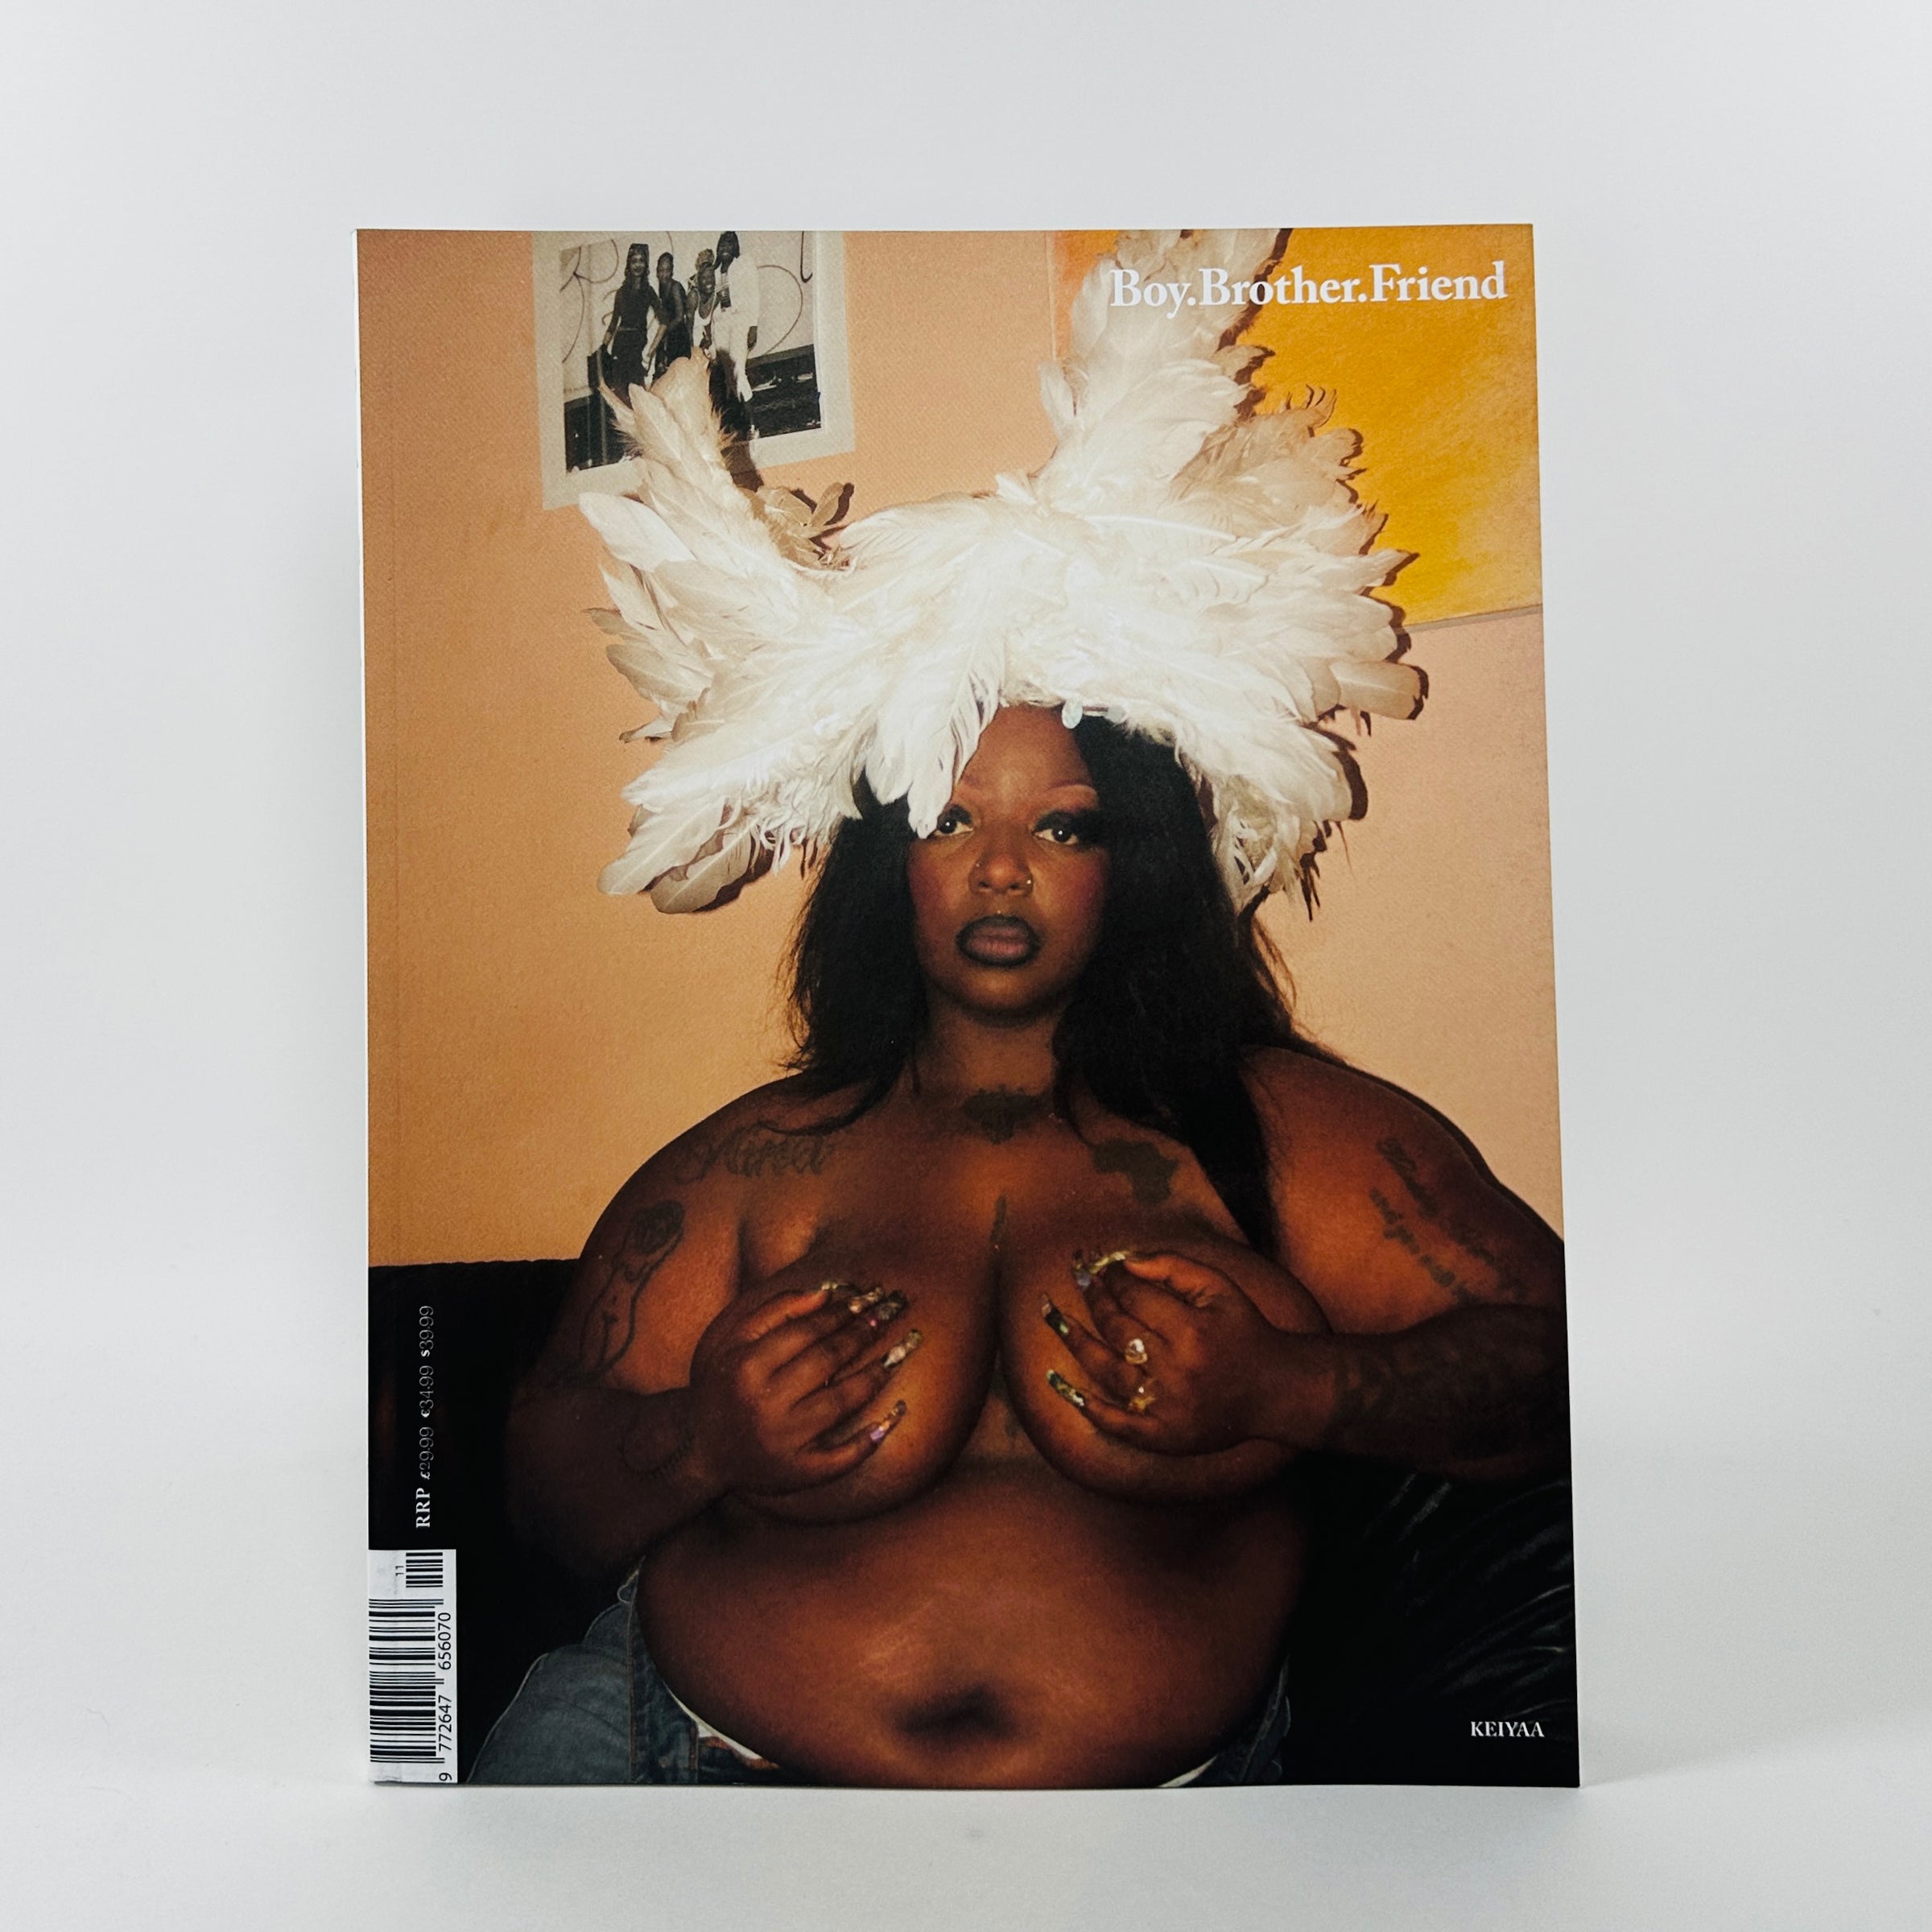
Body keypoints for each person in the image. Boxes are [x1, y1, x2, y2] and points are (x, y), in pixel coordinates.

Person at [474, 230, 1569, 1788]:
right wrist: (698, 1441)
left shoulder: (1287, 1137)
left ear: (1137, 865)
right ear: (887, 867)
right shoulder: (755, 1165)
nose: (1002, 870)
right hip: (670, 1768)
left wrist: (1297, 1387)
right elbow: (543, 1500)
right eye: (949, 820)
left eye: (1062, 826)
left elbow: (1562, 1373)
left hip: (1153, 1845)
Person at [712, 230, 762, 437]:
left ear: (735, 247)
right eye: (722, 244)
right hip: (721, 324)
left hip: (740, 320)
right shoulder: (714, 271)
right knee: (728, 378)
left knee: (738, 372)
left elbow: (754, 293)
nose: (725, 247)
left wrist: (753, 325)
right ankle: (736, 425)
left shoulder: (744, 264)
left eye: (729, 243)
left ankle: (752, 426)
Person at [598, 242, 658, 398]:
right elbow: (613, 324)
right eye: (634, 261)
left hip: (637, 347)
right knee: (620, 394)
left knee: (637, 396)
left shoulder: (648, 291)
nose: (638, 265)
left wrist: (650, 353)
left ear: (646, 264)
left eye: (641, 260)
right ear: (629, 264)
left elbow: (664, 321)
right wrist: (603, 347)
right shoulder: (621, 292)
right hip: (620, 347)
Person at [647, 250, 690, 380]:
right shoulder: (662, 288)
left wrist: (664, 334)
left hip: (678, 337)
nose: (664, 274)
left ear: (672, 271)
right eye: (661, 270)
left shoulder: (675, 287)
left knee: (677, 375)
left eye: (668, 270)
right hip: (669, 334)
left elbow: (680, 317)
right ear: (656, 272)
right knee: (663, 374)